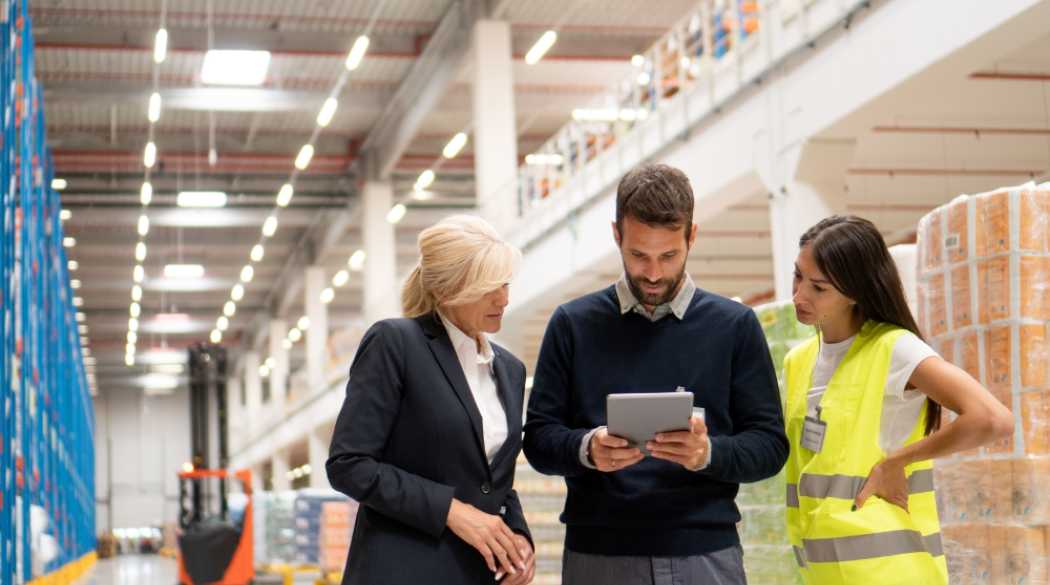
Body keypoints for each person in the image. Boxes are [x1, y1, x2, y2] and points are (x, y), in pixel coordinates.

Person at [523, 163, 790, 585]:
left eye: (669, 255)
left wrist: (708, 454)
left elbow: (771, 446)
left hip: (705, 554)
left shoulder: (734, 326)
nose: (653, 273)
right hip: (599, 557)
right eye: (638, 255)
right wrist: (586, 448)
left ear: (692, 235)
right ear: (617, 235)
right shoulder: (572, 325)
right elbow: (538, 438)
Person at [784, 215, 1014, 585]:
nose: (799, 296)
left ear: (855, 292)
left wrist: (897, 462)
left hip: (889, 572)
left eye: (819, 288)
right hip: (823, 573)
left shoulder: (893, 348)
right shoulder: (798, 361)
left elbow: (992, 419)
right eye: (797, 276)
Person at [326, 215, 535, 585]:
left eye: (504, 283)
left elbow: (492, 479)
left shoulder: (510, 369)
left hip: (478, 573)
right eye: (488, 287)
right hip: (402, 569)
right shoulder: (396, 343)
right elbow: (349, 464)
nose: (503, 298)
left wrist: (517, 536)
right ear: (442, 291)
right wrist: (452, 511)